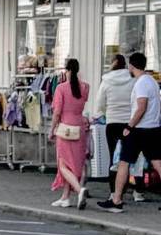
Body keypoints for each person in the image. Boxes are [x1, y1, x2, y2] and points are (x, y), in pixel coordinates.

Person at [100, 52, 161, 212]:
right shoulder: (152, 81)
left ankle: (117, 200)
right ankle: (117, 199)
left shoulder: (141, 83)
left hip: (140, 129)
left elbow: (141, 107)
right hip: (153, 128)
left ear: (132, 66)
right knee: (157, 163)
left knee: (123, 162)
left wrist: (129, 126)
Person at [95, 54, 142, 200]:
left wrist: (106, 112)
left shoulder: (106, 81)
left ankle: (113, 192)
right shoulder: (133, 80)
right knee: (133, 158)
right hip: (130, 124)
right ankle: (137, 191)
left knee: (114, 159)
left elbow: (100, 103)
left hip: (112, 123)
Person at [49, 58, 91, 209]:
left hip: (65, 129)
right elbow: (81, 103)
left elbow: (57, 112)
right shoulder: (86, 87)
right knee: (74, 164)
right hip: (80, 128)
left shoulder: (61, 88)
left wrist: (52, 129)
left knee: (63, 165)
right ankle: (65, 197)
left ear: (66, 70)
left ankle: (80, 191)